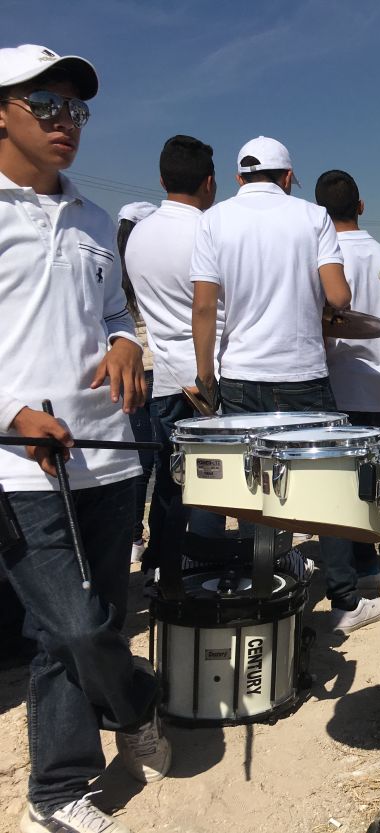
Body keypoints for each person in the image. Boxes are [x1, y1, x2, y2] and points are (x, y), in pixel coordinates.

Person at [0, 43, 170, 833]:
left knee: (85, 618)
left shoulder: (97, 219)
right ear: (2, 112)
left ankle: (61, 785)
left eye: (76, 108)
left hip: (108, 452)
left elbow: (113, 315)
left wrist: (129, 342)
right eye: (46, 105)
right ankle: (130, 705)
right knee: (74, 622)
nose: (67, 122)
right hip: (24, 463)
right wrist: (10, 415)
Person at [191, 137, 380, 635]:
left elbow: (204, 308)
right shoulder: (311, 217)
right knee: (330, 488)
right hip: (302, 372)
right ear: (286, 177)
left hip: (240, 374)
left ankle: (266, 596)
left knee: (257, 492)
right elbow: (338, 295)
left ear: (239, 178)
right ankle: (344, 602)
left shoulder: (212, 221)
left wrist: (207, 378)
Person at [124, 135, 225, 572]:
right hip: (210, 373)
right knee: (210, 483)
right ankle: (202, 570)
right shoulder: (209, 230)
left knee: (170, 480)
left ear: (162, 178)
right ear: (210, 182)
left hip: (164, 374)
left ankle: (159, 568)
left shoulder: (138, 235)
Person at [313, 169, 380, 615]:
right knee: (372, 485)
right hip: (378, 385)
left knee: (338, 489)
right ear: (361, 206)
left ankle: (355, 575)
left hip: (334, 384)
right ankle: (373, 565)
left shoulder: (320, 254)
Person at [117, 201, 158, 564]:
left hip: (129, 370)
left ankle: (132, 536)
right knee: (170, 456)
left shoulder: (114, 271)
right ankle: (160, 538)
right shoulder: (150, 266)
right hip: (159, 369)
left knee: (139, 460)